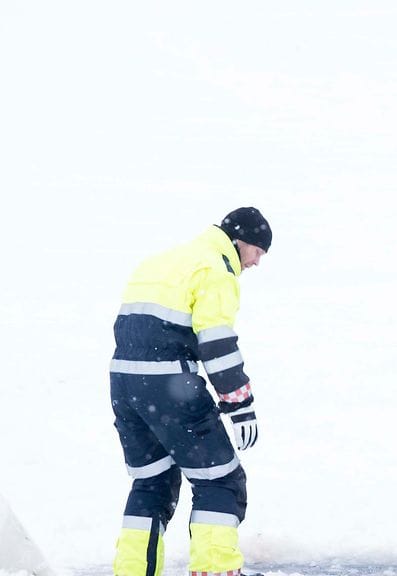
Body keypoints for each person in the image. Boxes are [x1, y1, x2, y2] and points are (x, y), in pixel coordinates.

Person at [110, 207, 271, 576]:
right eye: (258, 252)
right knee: (221, 481)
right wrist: (240, 403)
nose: (257, 262)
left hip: (123, 382)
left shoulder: (162, 260)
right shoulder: (214, 269)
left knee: (152, 482)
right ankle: (215, 570)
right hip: (168, 385)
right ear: (239, 240)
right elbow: (216, 343)